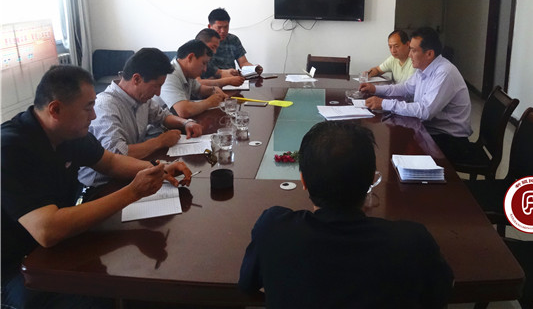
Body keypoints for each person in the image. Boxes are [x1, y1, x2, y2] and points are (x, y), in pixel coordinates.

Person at [1, 65, 192, 309]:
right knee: (99, 299)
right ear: (55, 109)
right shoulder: (11, 148)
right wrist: (133, 192)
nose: (93, 116)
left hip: (62, 243)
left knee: (131, 281)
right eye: (88, 107)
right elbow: (47, 230)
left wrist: (158, 168)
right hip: (17, 265)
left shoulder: (70, 134)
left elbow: (110, 162)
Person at [238, 121, 454, 309]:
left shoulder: (273, 229)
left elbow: (247, 284)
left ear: (303, 181)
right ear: (371, 181)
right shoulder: (413, 242)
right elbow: (439, 295)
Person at [78, 48, 204, 188]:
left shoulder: (142, 98)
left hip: (131, 173)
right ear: (136, 79)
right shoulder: (105, 106)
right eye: (156, 86)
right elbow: (117, 155)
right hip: (102, 185)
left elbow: (162, 116)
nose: (158, 93)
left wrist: (186, 123)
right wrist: (160, 142)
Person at [360, 27, 472, 155]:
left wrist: (384, 104)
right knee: (393, 136)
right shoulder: (423, 68)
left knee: (395, 143)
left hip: (449, 138)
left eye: (413, 50)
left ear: (429, 54)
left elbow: (425, 111)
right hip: (430, 129)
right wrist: (375, 89)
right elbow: (405, 88)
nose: (409, 55)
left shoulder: (444, 72)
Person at [157, 39, 228, 118]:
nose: (205, 69)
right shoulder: (170, 74)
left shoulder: (187, 72)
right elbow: (184, 111)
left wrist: (213, 89)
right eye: (204, 63)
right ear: (190, 57)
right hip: (160, 124)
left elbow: (199, 89)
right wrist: (209, 102)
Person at [207, 7, 263, 76]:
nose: (223, 31)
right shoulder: (203, 42)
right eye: (219, 27)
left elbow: (243, 63)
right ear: (210, 27)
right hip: (212, 79)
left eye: (226, 27)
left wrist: (253, 69)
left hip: (233, 79)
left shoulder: (233, 39)